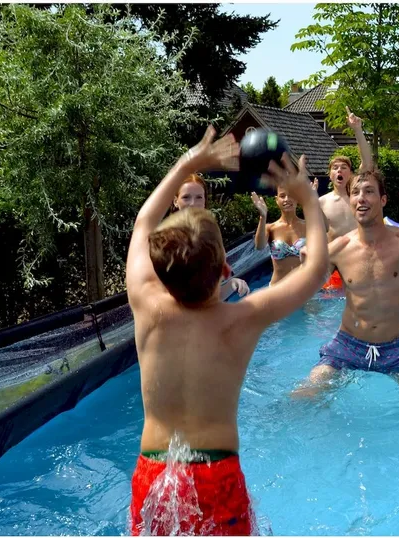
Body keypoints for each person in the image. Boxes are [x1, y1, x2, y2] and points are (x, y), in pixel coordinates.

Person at [125, 126, 329, 536]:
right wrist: (307, 197)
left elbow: (143, 223)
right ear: (224, 269)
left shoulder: (147, 304)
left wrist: (189, 162)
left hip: (155, 473)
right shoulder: (242, 319)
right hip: (216, 475)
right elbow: (317, 269)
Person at [294, 168, 399, 397]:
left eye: (369, 191)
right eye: (355, 192)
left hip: (396, 348)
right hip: (346, 346)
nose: (361, 198)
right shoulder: (339, 248)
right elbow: (304, 293)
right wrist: (306, 268)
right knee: (305, 394)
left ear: (383, 200)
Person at [319, 107, 374, 289]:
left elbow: (367, 163)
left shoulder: (356, 195)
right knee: (315, 292)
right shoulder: (321, 202)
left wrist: (357, 129)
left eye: (343, 168)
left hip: (355, 253)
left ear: (351, 174)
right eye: (335, 168)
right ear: (330, 175)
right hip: (331, 256)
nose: (339, 171)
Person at [172, 173, 250, 300]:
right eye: (186, 197)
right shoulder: (167, 239)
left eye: (199, 197)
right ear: (176, 201)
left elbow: (213, 295)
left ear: (204, 201)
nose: (193, 203)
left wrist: (232, 284)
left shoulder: (212, 234)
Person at [250, 185, 308, 286]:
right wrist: (262, 217)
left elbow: (326, 229)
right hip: (277, 288)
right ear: (277, 200)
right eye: (282, 196)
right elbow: (259, 246)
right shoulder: (270, 228)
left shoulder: (308, 226)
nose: (287, 199)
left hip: (304, 288)